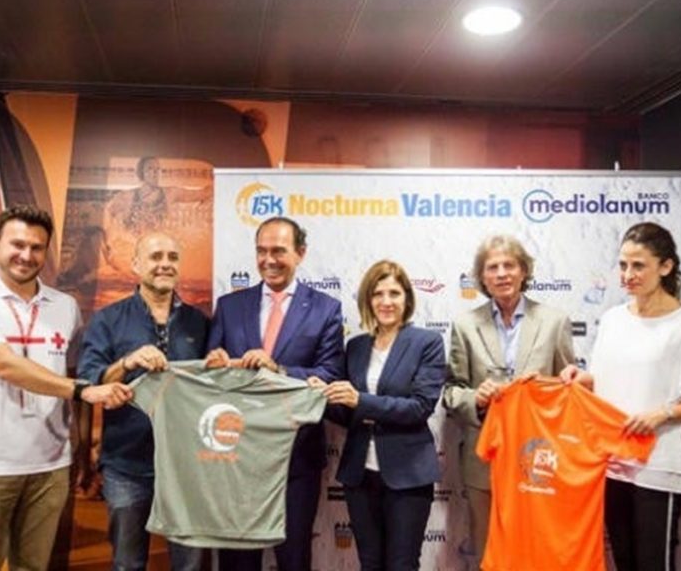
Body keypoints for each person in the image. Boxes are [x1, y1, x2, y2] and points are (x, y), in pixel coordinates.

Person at [0, 204, 132, 571]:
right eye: (17, 244)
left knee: (33, 566)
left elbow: (74, 372)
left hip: (51, 466)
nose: (26, 255)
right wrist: (80, 390)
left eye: (37, 247)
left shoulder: (65, 306)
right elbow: (4, 364)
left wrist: (79, 450)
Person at [561, 222, 681, 571]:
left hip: (657, 464)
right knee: (624, 562)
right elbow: (605, 380)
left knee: (653, 564)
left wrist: (661, 413)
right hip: (612, 463)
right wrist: (580, 378)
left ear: (665, 266)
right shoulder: (613, 319)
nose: (628, 274)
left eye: (638, 265)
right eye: (623, 265)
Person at [205, 216, 345, 571]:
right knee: (237, 561)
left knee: (293, 558)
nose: (269, 260)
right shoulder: (230, 306)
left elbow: (330, 375)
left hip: (296, 455)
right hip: (236, 456)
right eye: (261, 251)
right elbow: (210, 378)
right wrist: (215, 364)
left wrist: (279, 370)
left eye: (279, 251)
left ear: (300, 253)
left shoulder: (326, 309)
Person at [441, 234, 576, 568]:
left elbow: (569, 391)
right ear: (482, 277)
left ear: (523, 271)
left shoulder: (554, 321)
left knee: (537, 553)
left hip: (539, 461)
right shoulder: (464, 325)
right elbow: (451, 391)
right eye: (492, 267)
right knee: (488, 553)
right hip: (483, 460)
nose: (501, 273)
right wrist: (475, 398)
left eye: (509, 265)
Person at [78, 232, 209, 571]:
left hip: (187, 466)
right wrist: (127, 362)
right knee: (127, 564)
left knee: (191, 567)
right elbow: (90, 382)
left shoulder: (199, 323)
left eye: (172, 257)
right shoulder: (108, 320)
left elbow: (213, 386)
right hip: (126, 465)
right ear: (136, 264)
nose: (165, 264)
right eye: (155, 256)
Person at [321, 260, 446, 571]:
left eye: (394, 293)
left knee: (402, 564)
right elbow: (347, 414)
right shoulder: (356, 346)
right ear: (368, 299)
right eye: (378, 294)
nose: (386, 302)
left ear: (407, 298)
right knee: (370, 563)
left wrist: (360, 400)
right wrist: (321, 396)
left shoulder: (427, 342)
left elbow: (420, 407)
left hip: (408, 475)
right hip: (359, 475)